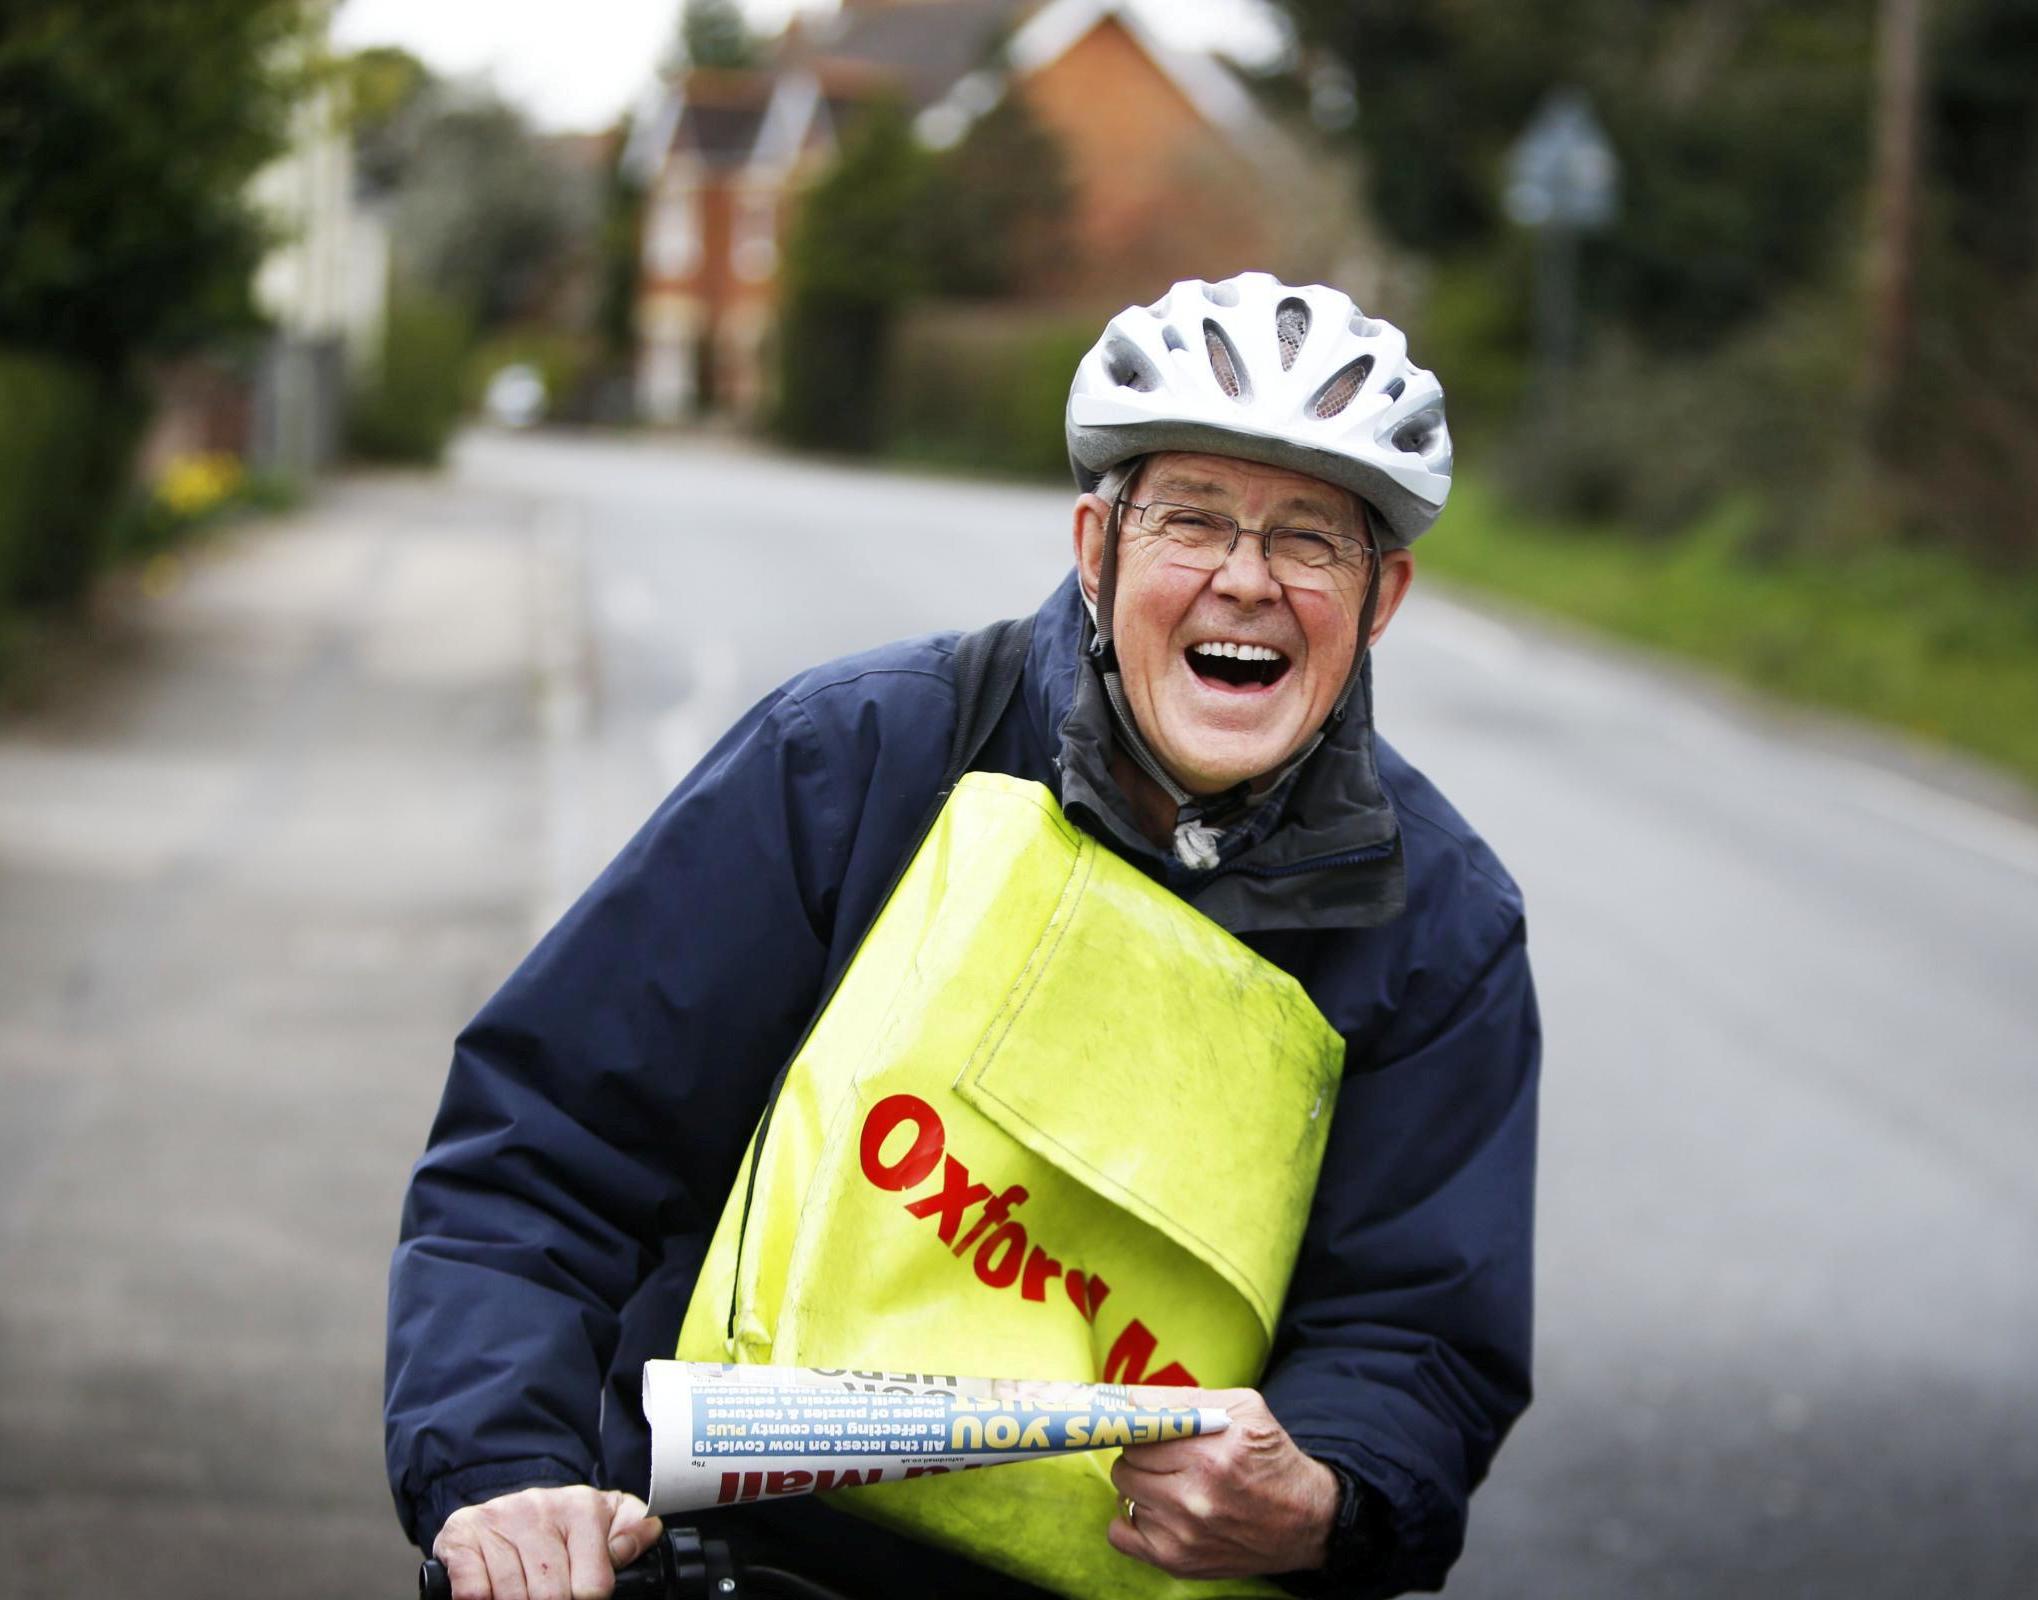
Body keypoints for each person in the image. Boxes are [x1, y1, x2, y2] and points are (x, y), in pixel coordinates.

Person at [386, 272, 1540, 1600]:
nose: (1244, 579)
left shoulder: (1440, 920)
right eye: (1190, 520)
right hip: (745, 1560)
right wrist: (505, 1476)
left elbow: (1415, 1335)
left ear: (1380, 595)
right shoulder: (858, 756)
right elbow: (550, 1150)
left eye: (1307, 540)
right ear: (1093, 547)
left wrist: (1321, 1494)